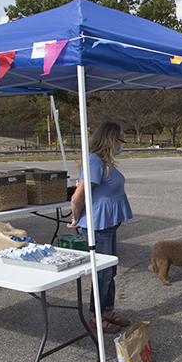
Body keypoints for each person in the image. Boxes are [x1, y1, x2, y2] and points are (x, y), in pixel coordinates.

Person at [68, 122, 133, 334]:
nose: (122, 144)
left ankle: (107, 310)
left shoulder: (106, 162)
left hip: (109, 226)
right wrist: (75, 219)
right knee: (102, 274)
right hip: (98, 226)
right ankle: (95, 316)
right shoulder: (94, 162)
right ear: (110, 139)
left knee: (110, 270)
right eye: (120, 140)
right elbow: (78, 195)